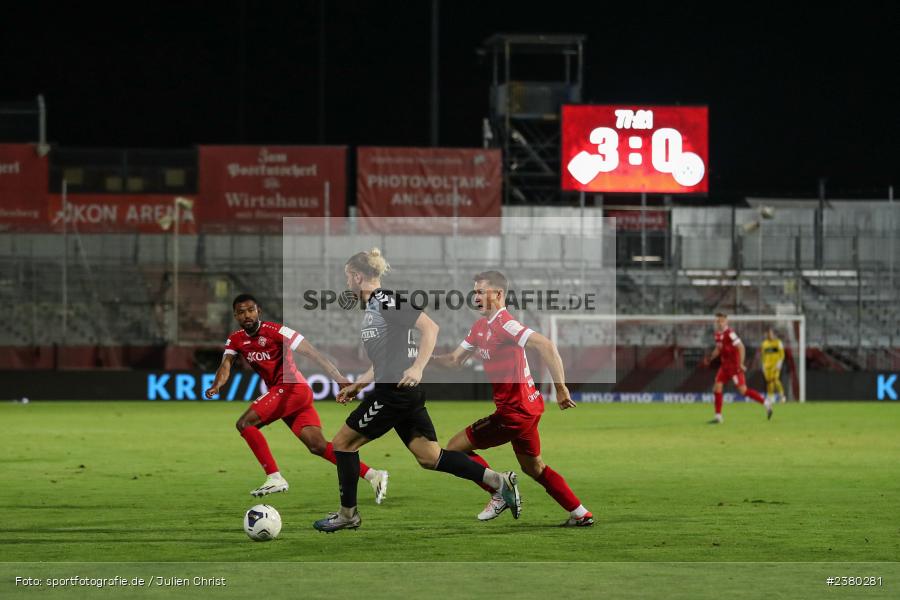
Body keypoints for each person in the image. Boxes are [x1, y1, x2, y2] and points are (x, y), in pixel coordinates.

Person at [312, 249, 521, 533]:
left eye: (348, 277)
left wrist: (419, 367)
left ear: (358, 276)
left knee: (342, 444)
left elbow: (430, 328)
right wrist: (358, 384)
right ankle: (498, 481)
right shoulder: (374, 307)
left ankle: (347, 515)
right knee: (430, 457)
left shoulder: (386, 300)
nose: (347, 283)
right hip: (402, 392)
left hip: (393, 393)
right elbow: (386, 358)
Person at [431, 270, 594, 527]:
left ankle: (499, 491)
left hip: (514, 413)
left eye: (481, 292)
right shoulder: (480, 327)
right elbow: (454, 360)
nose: (476, 297)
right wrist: (423, 360)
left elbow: (546, 345)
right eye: (474, 292)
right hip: (526, 410)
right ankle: (580, 513)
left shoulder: (505, 324)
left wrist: (561, 388)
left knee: (452, 449)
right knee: (534, 468)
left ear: (498, 294)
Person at [205, 294, 388, 502]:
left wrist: (338, 377)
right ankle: (373, 475)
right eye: (241, 312)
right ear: (235, 316)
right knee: (317, 446)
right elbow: (226, 365)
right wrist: (217, 385)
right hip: (288, 394)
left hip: (291, 389)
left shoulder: (277, 331)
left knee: (245, 424)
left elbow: (312, 353)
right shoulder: (236, 339)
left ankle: (274, 477)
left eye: (250, 310)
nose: (247, 315)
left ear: (258, 311)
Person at [703, 313, 773, 423]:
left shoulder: (730, 333)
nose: (720, 323)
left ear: (726, 321)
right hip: (724, 367)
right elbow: (719, 348)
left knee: (743, 390)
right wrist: (711, 357)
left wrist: (741, 363)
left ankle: (766, 403)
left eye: (722, 321)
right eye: (718, 321)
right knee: (717, 387)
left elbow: (741, 347)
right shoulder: (717, 335)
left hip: (734, 367)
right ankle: (718, 416)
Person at [761, 328, 786, 403]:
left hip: (775, 365)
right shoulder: (764, 343)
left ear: (774, 334)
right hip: (767, 366)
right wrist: (763, 365)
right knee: (769, 382)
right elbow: (763, 356)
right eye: (768, 334)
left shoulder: (778, 342)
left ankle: (782, 396)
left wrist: (780, 363)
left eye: (771, 333)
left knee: (775, 379)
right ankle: (770, 397)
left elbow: (782, 354)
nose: (770, 335)